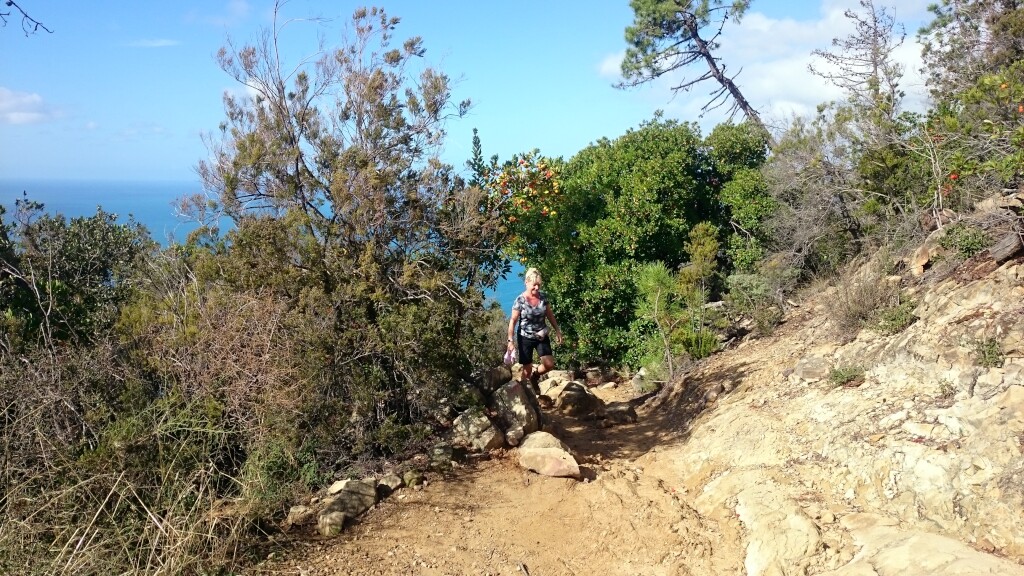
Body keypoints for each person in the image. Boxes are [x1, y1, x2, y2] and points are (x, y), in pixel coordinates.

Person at [507, 267, 563, 392]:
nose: (537, 288)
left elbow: (549, 314)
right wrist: (510, 340)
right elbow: (513, 321)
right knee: (526, 370)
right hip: (525, 338)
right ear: (526, 282)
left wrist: (557, 330)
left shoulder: (543, 297)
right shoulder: (519, 301)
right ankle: (524, 391)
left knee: (549, 364)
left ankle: (535, 376)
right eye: (534, 285)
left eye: (539, 285)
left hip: (541, 336)